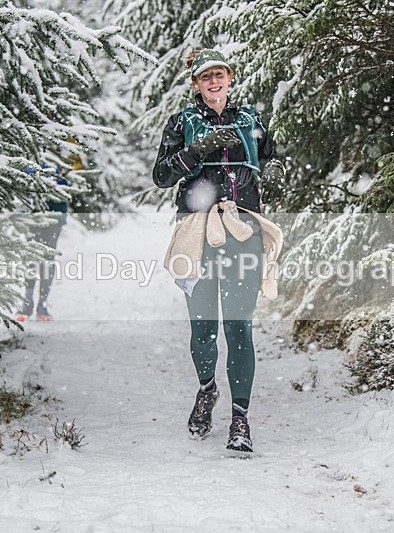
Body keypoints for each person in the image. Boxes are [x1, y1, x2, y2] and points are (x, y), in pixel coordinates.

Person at [153, 48, 285, 452]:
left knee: (239, 327)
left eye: (220, 75)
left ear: (230, 79)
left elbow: (272, 160)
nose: (214, 82)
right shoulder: (182, 122)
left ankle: (241, 420)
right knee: (204, 330)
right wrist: (197, 151)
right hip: (198, 234)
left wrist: (270, 168)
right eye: (205, 76)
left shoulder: (251, 119)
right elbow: (161, 176)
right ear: (195, 84)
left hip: (243, 230)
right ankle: (207, 390)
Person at [16, 165, 69, 322]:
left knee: (47, 260)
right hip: (32, 217)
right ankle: (27, 303)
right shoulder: (30, 156)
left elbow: (63, 184)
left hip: (54, 217)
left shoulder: (59, 156)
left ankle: (42, 305)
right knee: (31, 259)